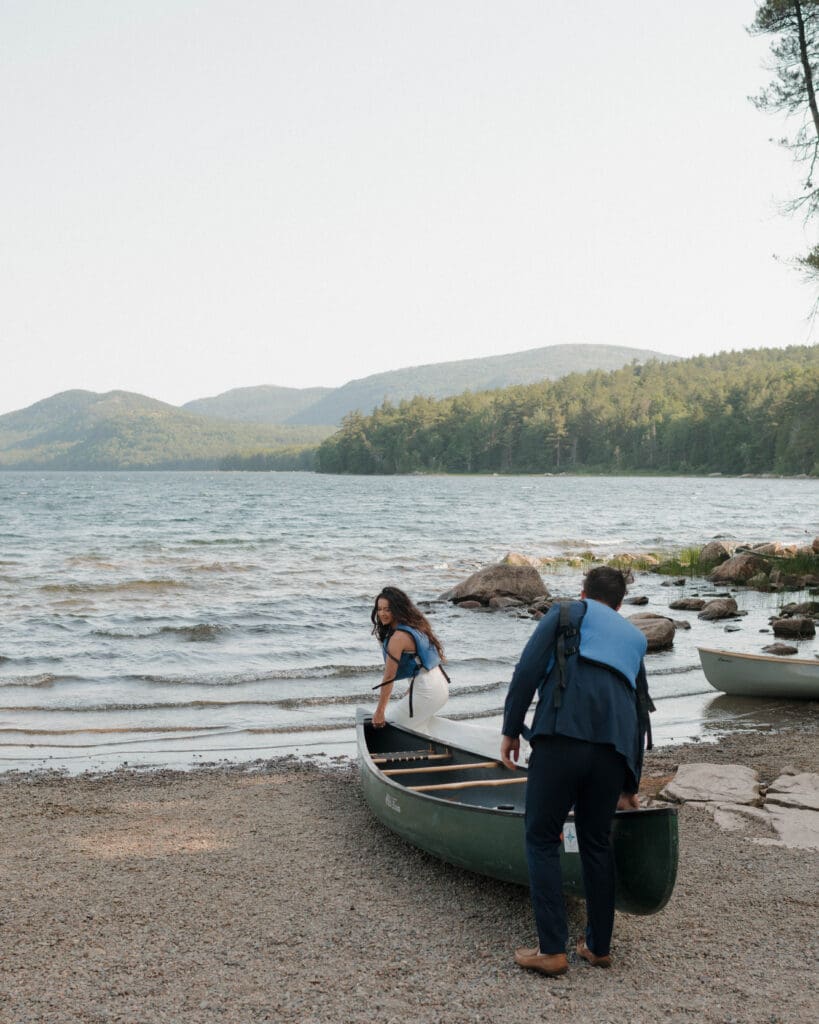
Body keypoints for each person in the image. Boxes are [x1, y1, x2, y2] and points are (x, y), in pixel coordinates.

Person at [500, 566, 654, 977]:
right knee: (596, 842)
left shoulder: (567, 612)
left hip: (562, 734)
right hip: (614, 749)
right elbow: (640, 710)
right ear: (620, 604)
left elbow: (527, 670)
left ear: (583, 592)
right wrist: (629, 780)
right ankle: (598, 946)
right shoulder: (634, 638)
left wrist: (511, 729)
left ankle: (552, 950)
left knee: (542, 836)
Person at [370, 586, 449, 728]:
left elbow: (388, 678)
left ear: (397, 609)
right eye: (379, 609)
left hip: (427, 691)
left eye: (387, 609)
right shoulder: (416, 625)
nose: (382, 613)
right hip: (440, 686)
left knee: (390, 727)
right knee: (419, 726)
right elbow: (420, 663)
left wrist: (379, 712)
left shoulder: (398, 638)